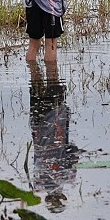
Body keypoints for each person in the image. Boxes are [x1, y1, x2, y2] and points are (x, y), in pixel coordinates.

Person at [29, 62, 79, 212]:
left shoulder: (67, 177)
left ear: (62, 196)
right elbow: (73, 152)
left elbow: (73, 152)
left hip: (53, 122)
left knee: (51, 81)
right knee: (39, 81)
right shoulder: (38, 182)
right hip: (39, 124)